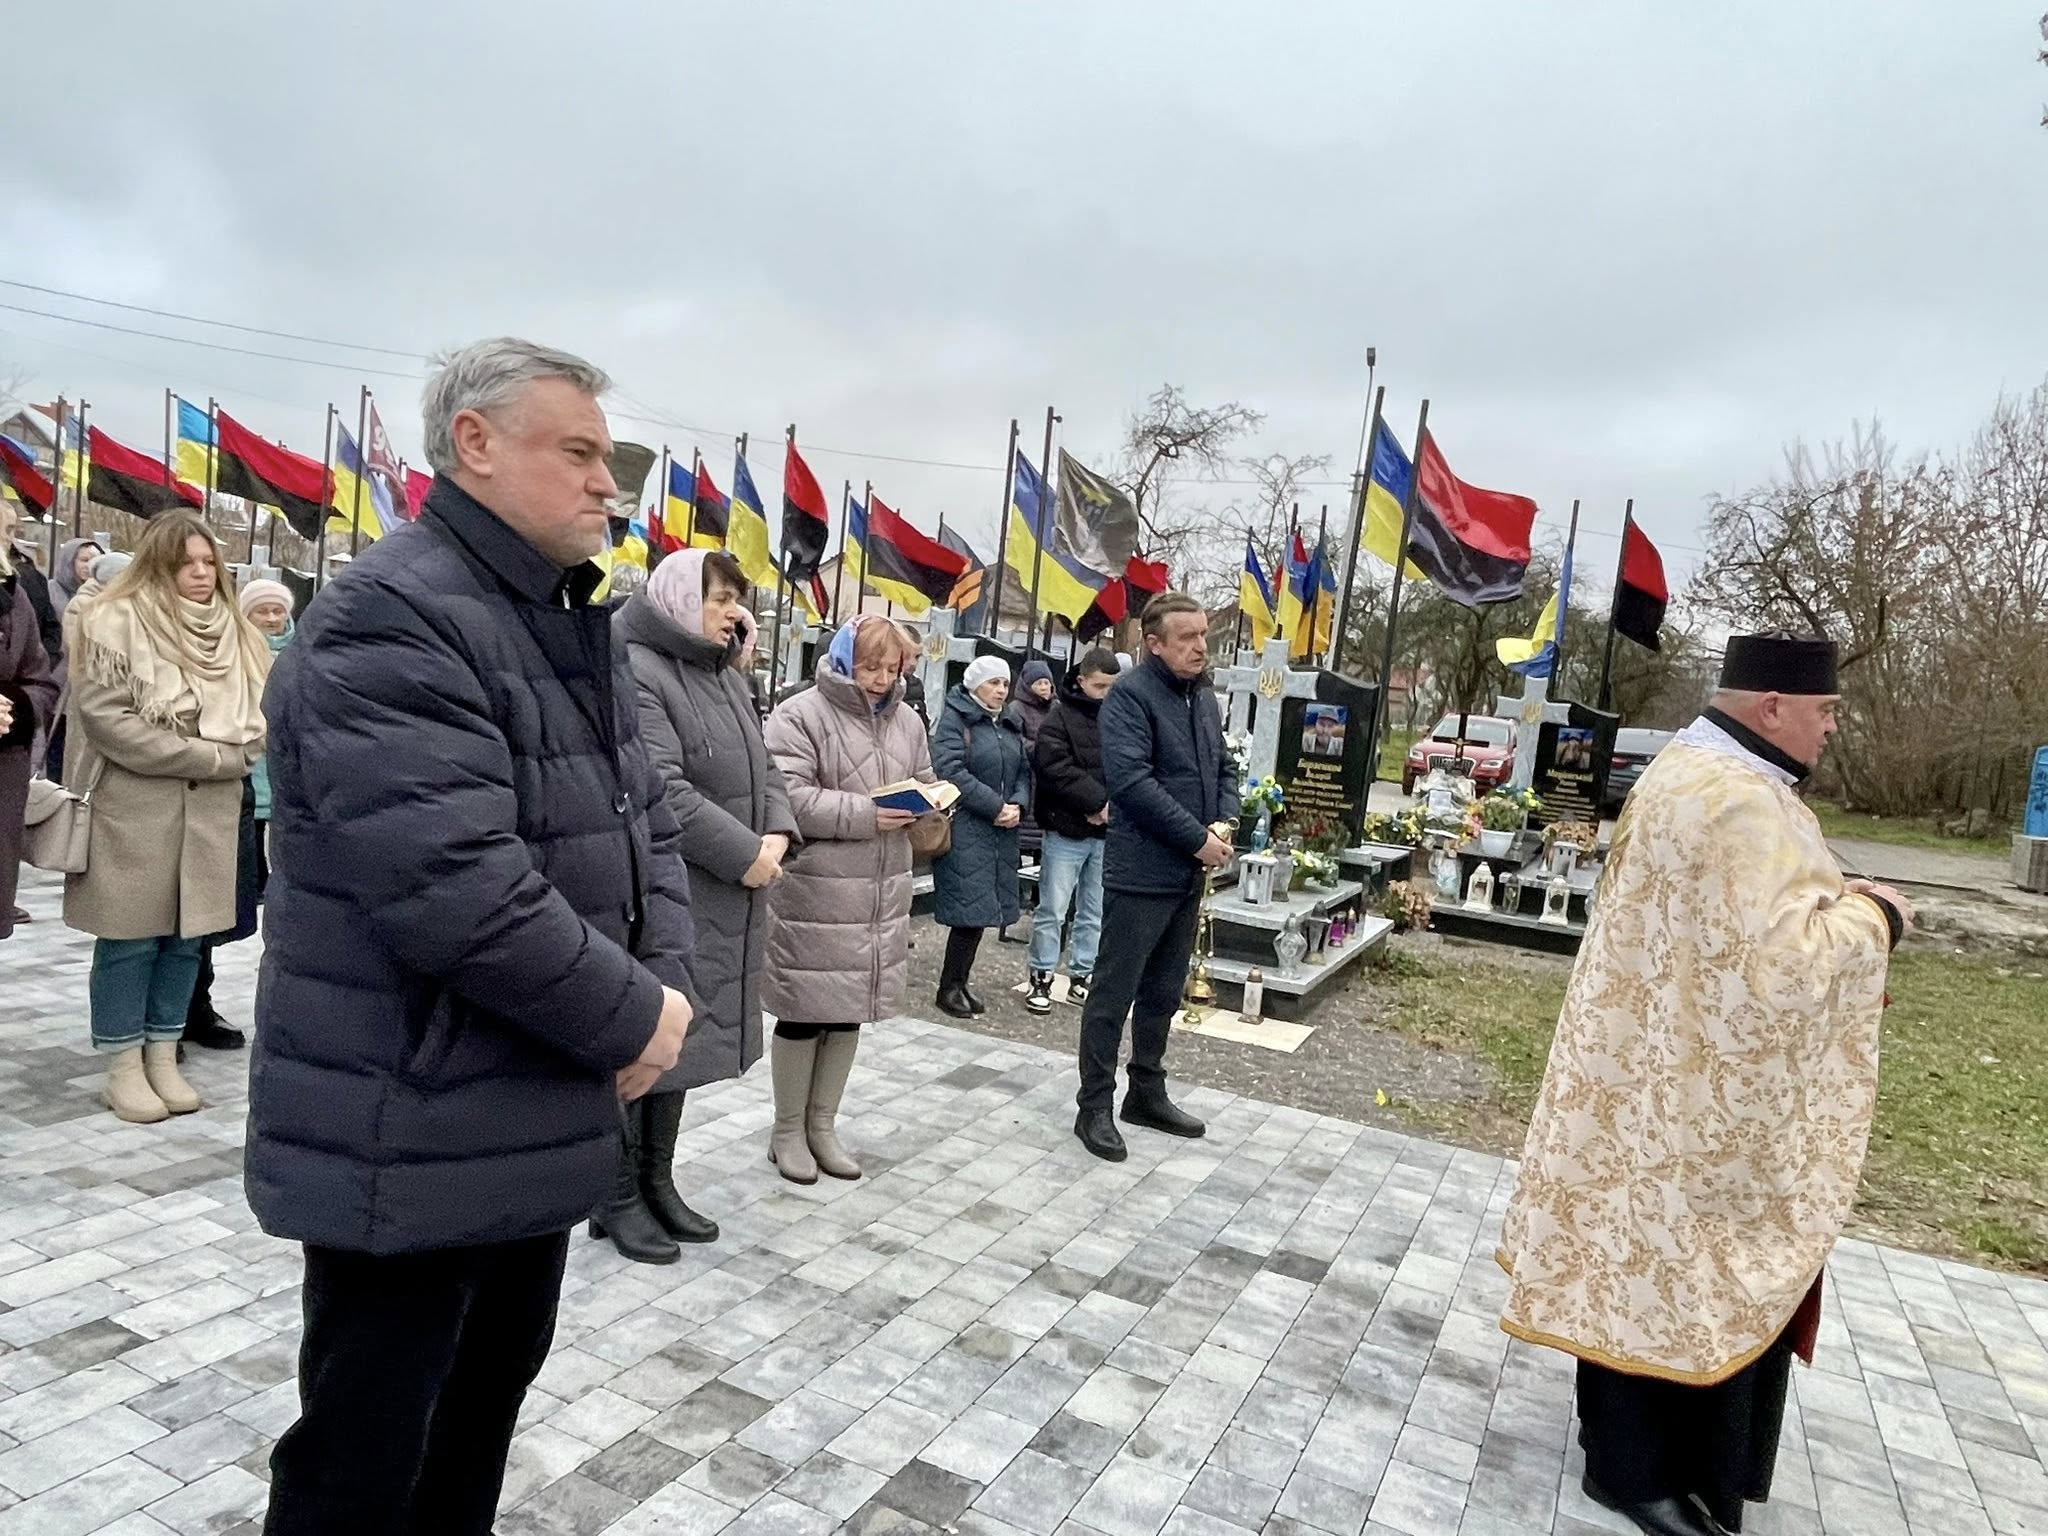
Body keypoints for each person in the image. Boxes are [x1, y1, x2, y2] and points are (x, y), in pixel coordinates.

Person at [245, 339, 697, 1536]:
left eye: (611, 459)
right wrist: (634, 1015)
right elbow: (456, 886)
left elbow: (636, 821)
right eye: (581, 453)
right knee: (367, 1459)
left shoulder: (561, 616)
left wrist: (670, 983)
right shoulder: (388, 619)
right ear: (476, 445)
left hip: (528, 1098)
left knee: (477, 1420)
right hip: (415, 1113)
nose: (610, 485)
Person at [1499, 634, 1913, 1536]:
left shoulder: (1680, 769)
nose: (1834, 727)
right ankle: (1639, 1472)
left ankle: (1615, 1443)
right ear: (1771, 706)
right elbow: (1784, 974)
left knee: (1627, 1247)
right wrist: (1877, 914)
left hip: (1646, 1064)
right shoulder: (1741, 802)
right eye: (1825, 710)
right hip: (1698, 1099)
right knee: (1684, 1264)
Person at [606, 547, 797, 1261]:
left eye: (736, 599)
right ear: (678, 599)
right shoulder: (640, 669)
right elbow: (661, 787)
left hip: (717, 893)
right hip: (663, 890)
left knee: (682, 1040)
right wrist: (745, 853)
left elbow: (764, 762)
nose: (734, 612)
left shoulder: (722, 676)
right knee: (645, 1035)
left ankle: (656, 1181)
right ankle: (614, 1194)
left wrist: (777, 830)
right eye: (718, 598)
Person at [62, 512, 267, 1120]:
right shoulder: (112, 623)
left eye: (210, 562)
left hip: (213, 809)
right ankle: (122, 1064)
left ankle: (161, 1050)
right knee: (130, 937)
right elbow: (109, 721)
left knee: (187, 939)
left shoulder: (238, 634)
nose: (201, 574)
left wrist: (231, 757)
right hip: (136, 805)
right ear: (159, 562)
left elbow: (262, 718)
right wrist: (208, 756)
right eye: (187, 563)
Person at [760, 614, 931, 1184]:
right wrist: (867, 814)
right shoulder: (800, 714)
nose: (882, 679)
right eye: (870, 667)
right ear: (841, 659)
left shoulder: (907, 721)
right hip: (816, 887)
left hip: (879, 894)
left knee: (848, 1013)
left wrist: (932, 806)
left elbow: (925, 776)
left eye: (891, 667)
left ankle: (822, 1125)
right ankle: (787, 1131)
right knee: (805, 1012)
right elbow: (787, 796)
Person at [1074, 592, 1237, 1162]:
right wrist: (1197, 838)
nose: (1200, 646)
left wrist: (1227, 817)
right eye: (1187, 637)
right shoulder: (1129, 699)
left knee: (1164, 991)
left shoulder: (1202, 697)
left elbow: (1223, 764)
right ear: (1154, 644)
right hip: (1142, 871)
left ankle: (1146, 1089)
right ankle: (1093, 1104)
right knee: (1113, 992)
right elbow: (1133, 784)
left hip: (1188, 873)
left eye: (1203, 635)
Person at [179, 577, 299, 1052]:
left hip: (279, 795)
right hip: (229, 786)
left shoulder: (304, 653)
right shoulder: (224, 655)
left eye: (277, 612)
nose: (270, 620)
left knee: (233, 910)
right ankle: (181, 1010)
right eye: (260, 611)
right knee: (203, 908)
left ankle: (195, 1006)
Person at [929, 655, 1029, 1018]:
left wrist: (1017, 803)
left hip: (1000, 832)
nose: (1001, 690)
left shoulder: (1007, 723)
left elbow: (1022, 769)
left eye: (1005, 683)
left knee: (982, 912)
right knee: (968, 913)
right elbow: (951, 769)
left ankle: (960, 982)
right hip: (969, 827)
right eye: (993, 683)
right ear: (975, 686)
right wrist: (994, 806)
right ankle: (949, 987)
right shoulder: (957, 720)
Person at [1026, 648, 1117, 1013]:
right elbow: (1053, 767)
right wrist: (1095, 803)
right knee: (1053, 907)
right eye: (1099, 686)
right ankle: (1042, 976)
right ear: (1081, 680)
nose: (1106, 694)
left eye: (1112, 687)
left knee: (1093, 910)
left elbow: (1130, 765)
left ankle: (1083, 974)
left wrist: (1113, 807)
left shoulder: (1119, 718)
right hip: (1066, 828)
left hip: (1106, 830)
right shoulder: (1058, 718)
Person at [0, 515, 57, 941]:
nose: (10, 542)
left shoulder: (13, 597)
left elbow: (40, 678)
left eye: (6, 531)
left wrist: (15, 706)